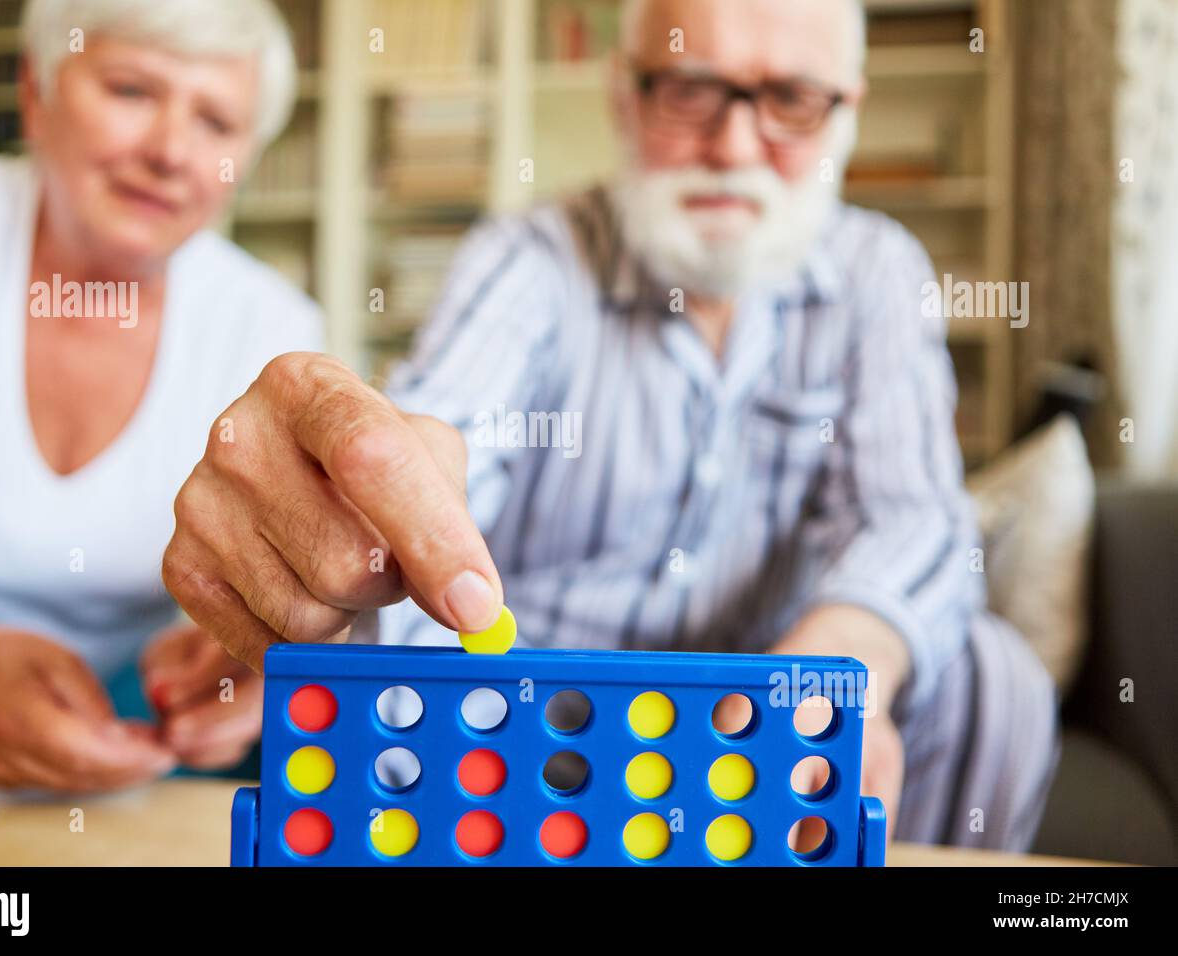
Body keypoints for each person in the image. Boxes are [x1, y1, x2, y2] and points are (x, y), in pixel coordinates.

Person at [164, 0, 1059, 849]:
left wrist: (821, 674)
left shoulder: (878, 270)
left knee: (994, 678)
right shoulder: (530, 259)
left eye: (790, 98)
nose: (735, 141)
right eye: (689, 87)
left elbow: (913, 518)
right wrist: (362, 511)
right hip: (530, 731)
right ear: (624, 96)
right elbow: (447, 425)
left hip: (772, 722)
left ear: (846, 113)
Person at [0, 0, 320, 791]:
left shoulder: (271, 326)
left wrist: (240, 664)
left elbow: (289, 605)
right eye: (132, 91)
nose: (171, 152)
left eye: (216, 123)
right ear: (35, 93)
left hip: (139, 735)